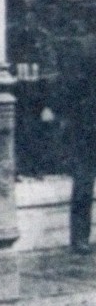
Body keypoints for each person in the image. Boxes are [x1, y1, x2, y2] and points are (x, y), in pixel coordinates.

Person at [52, 23, 96, 255]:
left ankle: (80, 238)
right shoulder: (85, 47)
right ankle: (79, 238)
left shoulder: (83, 46)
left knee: (83, 180)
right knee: (84, 180)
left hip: (85, 123)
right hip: (88, 123)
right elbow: (71, 87)